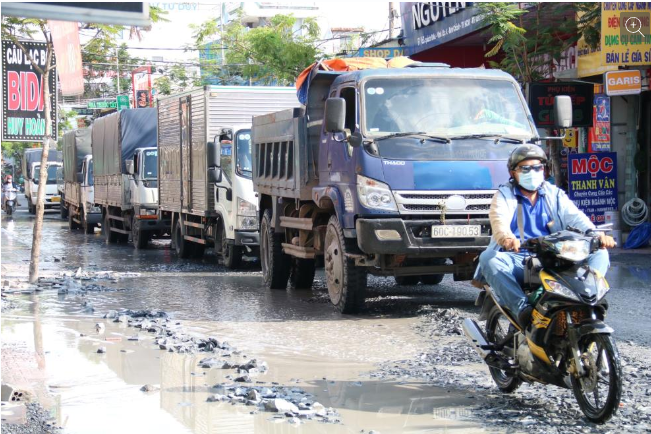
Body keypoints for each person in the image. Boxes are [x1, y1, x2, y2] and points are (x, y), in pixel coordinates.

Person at [474, 144, 616, 327]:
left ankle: (589, 299)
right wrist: (507, 239)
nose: (532, 172)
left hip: (556, 255)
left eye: (537, 168)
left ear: (544, 170)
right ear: (513, 172)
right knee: (489, 258)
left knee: (600, 253)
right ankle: (522, 309)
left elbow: (576, 217)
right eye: (525, 168)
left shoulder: (554, 194)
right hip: (519, 258)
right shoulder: (504, 195)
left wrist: (596, 235)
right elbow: (498, 221)